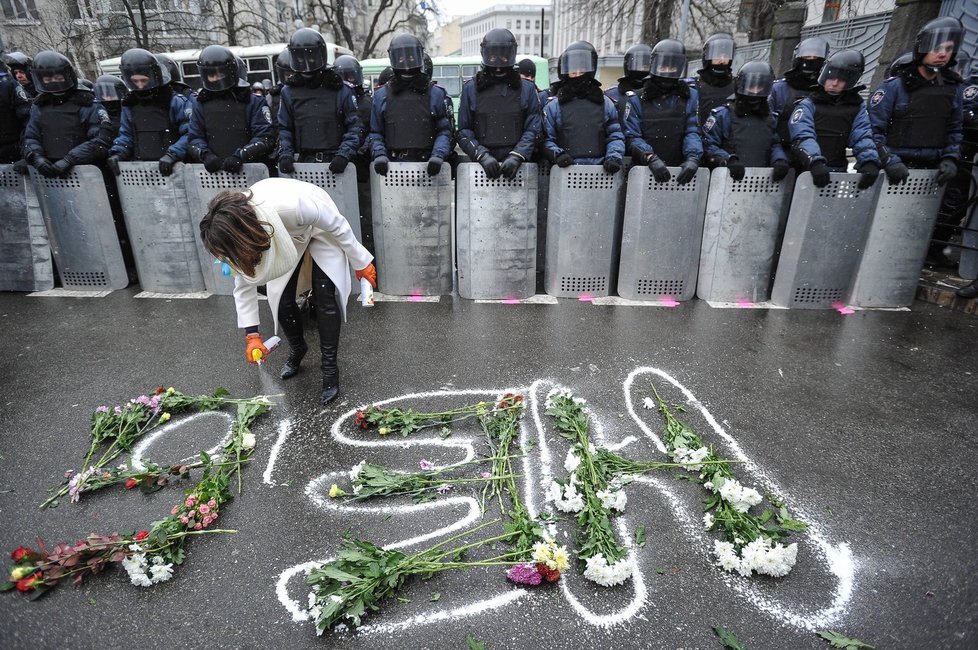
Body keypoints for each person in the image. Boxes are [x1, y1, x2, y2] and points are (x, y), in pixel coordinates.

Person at [197, 178, 377, 404]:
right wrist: (252, 335)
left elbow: (337, 225)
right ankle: (297, 348)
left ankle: (330, 369)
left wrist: (361, 262)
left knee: (326, 296)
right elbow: (243, 284)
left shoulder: (293, 206)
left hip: (318, 226)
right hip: (278, 236)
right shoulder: (242, 237)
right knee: (280, 298)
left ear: (240, 235)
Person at [868, 17, 964, 187]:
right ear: (923, 48)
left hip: (933, 172)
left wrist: (950, 158)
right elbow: (872, 130)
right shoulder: (894, 87)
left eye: (949, 48)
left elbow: (954, 129)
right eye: (937, 48)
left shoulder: (952, 88)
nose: (943, 54)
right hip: (896, 167)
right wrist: (889, 160)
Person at [787, 50, 880, 189]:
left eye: (841, 79)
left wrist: (869, 161)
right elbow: (802, 134)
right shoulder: (809, 104)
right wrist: (814, 161)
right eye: (831, 77)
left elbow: (862, 136)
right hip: (806, 171)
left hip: (837, 171)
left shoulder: (855, 106)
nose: (834, 83)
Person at [457, 28, 542, 180]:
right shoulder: (471, 89)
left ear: (511, 55)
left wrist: (518, 155)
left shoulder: (526, 89)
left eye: (503, 57)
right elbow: (464, 131)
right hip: (481, 168)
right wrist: (481, 155)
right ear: (485, 55)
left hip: (518, 168)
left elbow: (534, 128)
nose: (497, 64)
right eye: (493, 57)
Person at [277, 28, 360, 176]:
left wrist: (343, 154)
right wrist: (285, 154)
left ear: (320, 55)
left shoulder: (340, 89)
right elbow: (284, 129)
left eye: (311, 57)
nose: (307, 64)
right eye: (301, 59)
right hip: (304, 165)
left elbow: (354, 127)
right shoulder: (288, 92)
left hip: (336, 164)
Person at [368, 33, 454, 177]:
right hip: (393, 168)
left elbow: (445, 131)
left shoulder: (436, 94)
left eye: (411, 58)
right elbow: (376, 132)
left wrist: (438, 155)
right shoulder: (381, 95)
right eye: (401, 58)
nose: (406, 65)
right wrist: (379, 154)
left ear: (419, 57)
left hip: (428, 166)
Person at [621, 38, 701, 184]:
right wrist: (650, 157)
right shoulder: (636, 98)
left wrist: (693, 158)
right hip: (644, 170)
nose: (667, 73)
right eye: (663, 68)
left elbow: (692, 130)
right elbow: (632, 136)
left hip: (678, 171)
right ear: (654, 66)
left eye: (672, 69)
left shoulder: (689, 96)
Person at [22, 50, 112, 177]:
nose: (54, 82)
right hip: (50, 173)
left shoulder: (88, 104)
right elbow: (31, 137)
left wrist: (70, 159)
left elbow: (101, 140)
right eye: (48, 79)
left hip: (87, 174)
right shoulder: (39, 106)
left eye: (58, 78)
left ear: (67, 76)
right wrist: (36, 157)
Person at [188, 45, 274, 174]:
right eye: (212, 75)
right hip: (216, 174)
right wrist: (205, 154)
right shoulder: (201, 104)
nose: (216, 79)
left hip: (251, 170)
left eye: (220, 74)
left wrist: (241, 155)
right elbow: (194, 137)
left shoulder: (253, 102)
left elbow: (265, 137)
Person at [106, 48, 191, 177]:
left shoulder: (174, 101)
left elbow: (190, 133)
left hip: (175, 169)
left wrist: (172, 154)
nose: (140, 86)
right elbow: (127, 135)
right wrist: (118, 153)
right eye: (135, 81)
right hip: (144, 170)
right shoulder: (130, 104)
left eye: (144, 80)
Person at [541, 41, 624, 175]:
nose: (578, 75)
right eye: (574, 72)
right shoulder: (554, 106)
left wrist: (614, 157)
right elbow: (547, 139)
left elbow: (615, 136)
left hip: (600, 173)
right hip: (565, 173)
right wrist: (557, 155)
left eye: (582, 71)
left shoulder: (606, 103)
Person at [702, 61, 789, 181]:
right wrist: (728, 159)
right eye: (751, 87)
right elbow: (709, 145)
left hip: (761, 180)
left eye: (759, 88)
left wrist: (779, 159)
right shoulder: (723, 115)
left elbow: (774, 143)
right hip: (727, 180)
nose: (755, 92)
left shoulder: (770, 117)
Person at [769, 37, 830, 151]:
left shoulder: (828, 90)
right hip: (783, 150)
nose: (811, 61)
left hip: (816, 152)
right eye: (807, 57)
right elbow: (768, 125)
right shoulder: (779, 89)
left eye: (816, 58)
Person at [690, 32, 736, 126]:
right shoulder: (694, 86)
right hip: (699, 137)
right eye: (718, 55)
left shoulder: (737, 85)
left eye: (726, 56)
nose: (722, 60)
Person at [605, 43, 652, 120]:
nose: (641, 70)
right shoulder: (612, 95)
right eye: (637, 65)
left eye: (645, 67)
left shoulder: (656, 96)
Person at [0, 56, 31, 163]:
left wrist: (27, 152)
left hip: (12, 149)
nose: (19, 76)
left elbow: (27, 121)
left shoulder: (8, 85)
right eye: (16, 72)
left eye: (21, 72)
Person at [93, 74, 128, 140]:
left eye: (111, 94)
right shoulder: (97, 112)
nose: (108, 98)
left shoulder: (128, 111)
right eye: (104, 95)